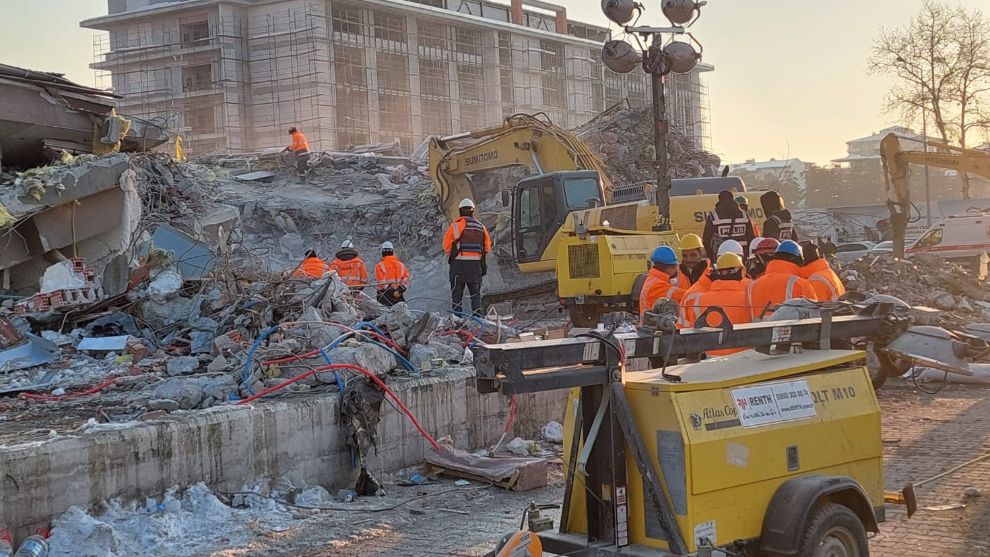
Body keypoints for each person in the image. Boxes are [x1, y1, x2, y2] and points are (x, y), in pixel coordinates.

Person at [683, 252, 753, 356]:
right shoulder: (749, 298)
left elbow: (694, 330)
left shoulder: (701, 299)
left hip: (711, 359)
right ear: (741, 272)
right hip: (744, 357)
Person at [443, 198, 492, 316]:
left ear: (460, 211)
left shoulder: (455, 227)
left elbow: (446, 246)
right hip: (475, 268)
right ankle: (477, 320)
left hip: (458, 267)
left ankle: (458, 321)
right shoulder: (481, 227)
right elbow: (487, 248)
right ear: (473, 211)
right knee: (475, 296)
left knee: (457, 297)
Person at [746, 240, 819, 320]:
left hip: (756, 331)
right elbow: (813, 317)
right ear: (798, 260)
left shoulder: (752, 286)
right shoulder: (801, 284)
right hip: (792, 332)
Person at [703, 190, 757, 261]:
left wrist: (712, 257)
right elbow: (751, 238)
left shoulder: (714, 216)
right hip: (742, 257)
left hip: (722, 258)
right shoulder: (744, 215)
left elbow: (706, 240)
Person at [639, 246, 684, 321]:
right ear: (672, 268)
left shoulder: (652, 280)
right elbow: (685, 296)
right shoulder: (658, 286)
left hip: (649, 327)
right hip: (655, 328)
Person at [374, 241, 410, 306]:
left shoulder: (379, 266)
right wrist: (399, 290)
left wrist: (393, 291)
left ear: (382, 252)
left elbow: (382, 282)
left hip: (384, 296)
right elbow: (406, 280)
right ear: (392, 252)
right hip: (398, 296)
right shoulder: (401, 265)